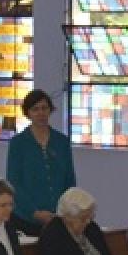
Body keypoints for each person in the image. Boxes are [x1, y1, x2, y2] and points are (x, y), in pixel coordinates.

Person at [5, 89, 75, 236]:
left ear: (50, 110)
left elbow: (69, 179)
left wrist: (64, 210)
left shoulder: (61, 141)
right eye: (35, 109)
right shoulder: (18, 143)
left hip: (57, 217)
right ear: (28, 113)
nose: (41, 113)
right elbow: (14, 182)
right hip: (26, 218)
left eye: (44, 108)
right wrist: (34, 212)